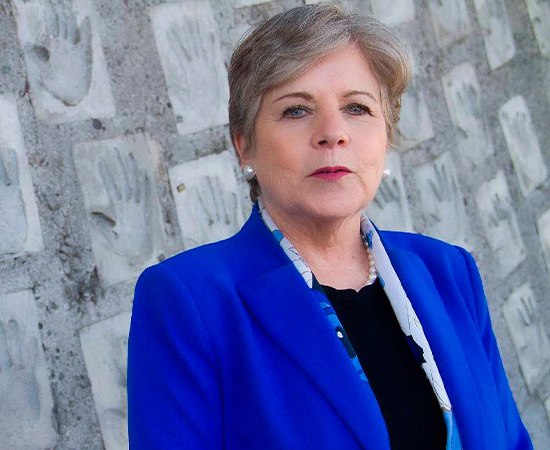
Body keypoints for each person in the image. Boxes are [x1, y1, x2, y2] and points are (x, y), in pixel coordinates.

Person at [127, 3, 532, 449]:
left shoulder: (450, 271)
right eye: (296, 110)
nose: (332, 133)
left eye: (357, 107)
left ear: (387, 135)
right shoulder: (189, 301)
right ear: (244, 147)